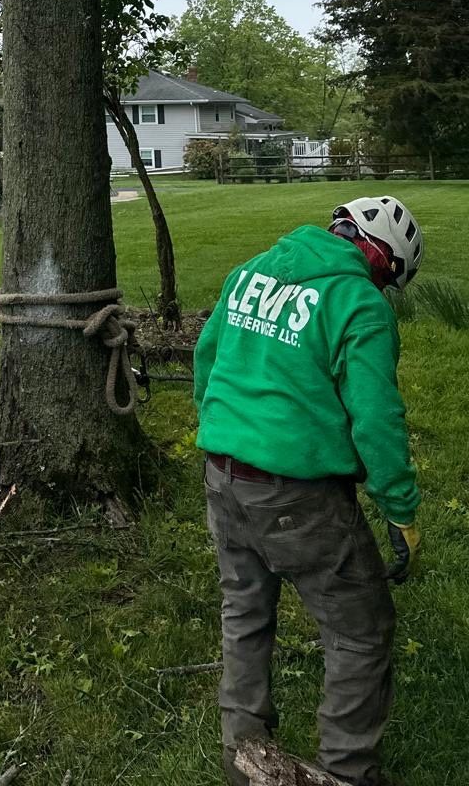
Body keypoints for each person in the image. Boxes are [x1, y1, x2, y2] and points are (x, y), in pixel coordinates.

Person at [194, 195, 424, 786]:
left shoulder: (250, 271)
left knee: (244, 611)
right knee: (360, 632)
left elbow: (207, 357)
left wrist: (226, 431)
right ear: (383, 258)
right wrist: (400, 509)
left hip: (222, 475)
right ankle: (347, 772)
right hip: (299, 496)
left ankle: (242, 753)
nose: (384, 287)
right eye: (389, 277)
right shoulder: (359, 303)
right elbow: (376, 420)